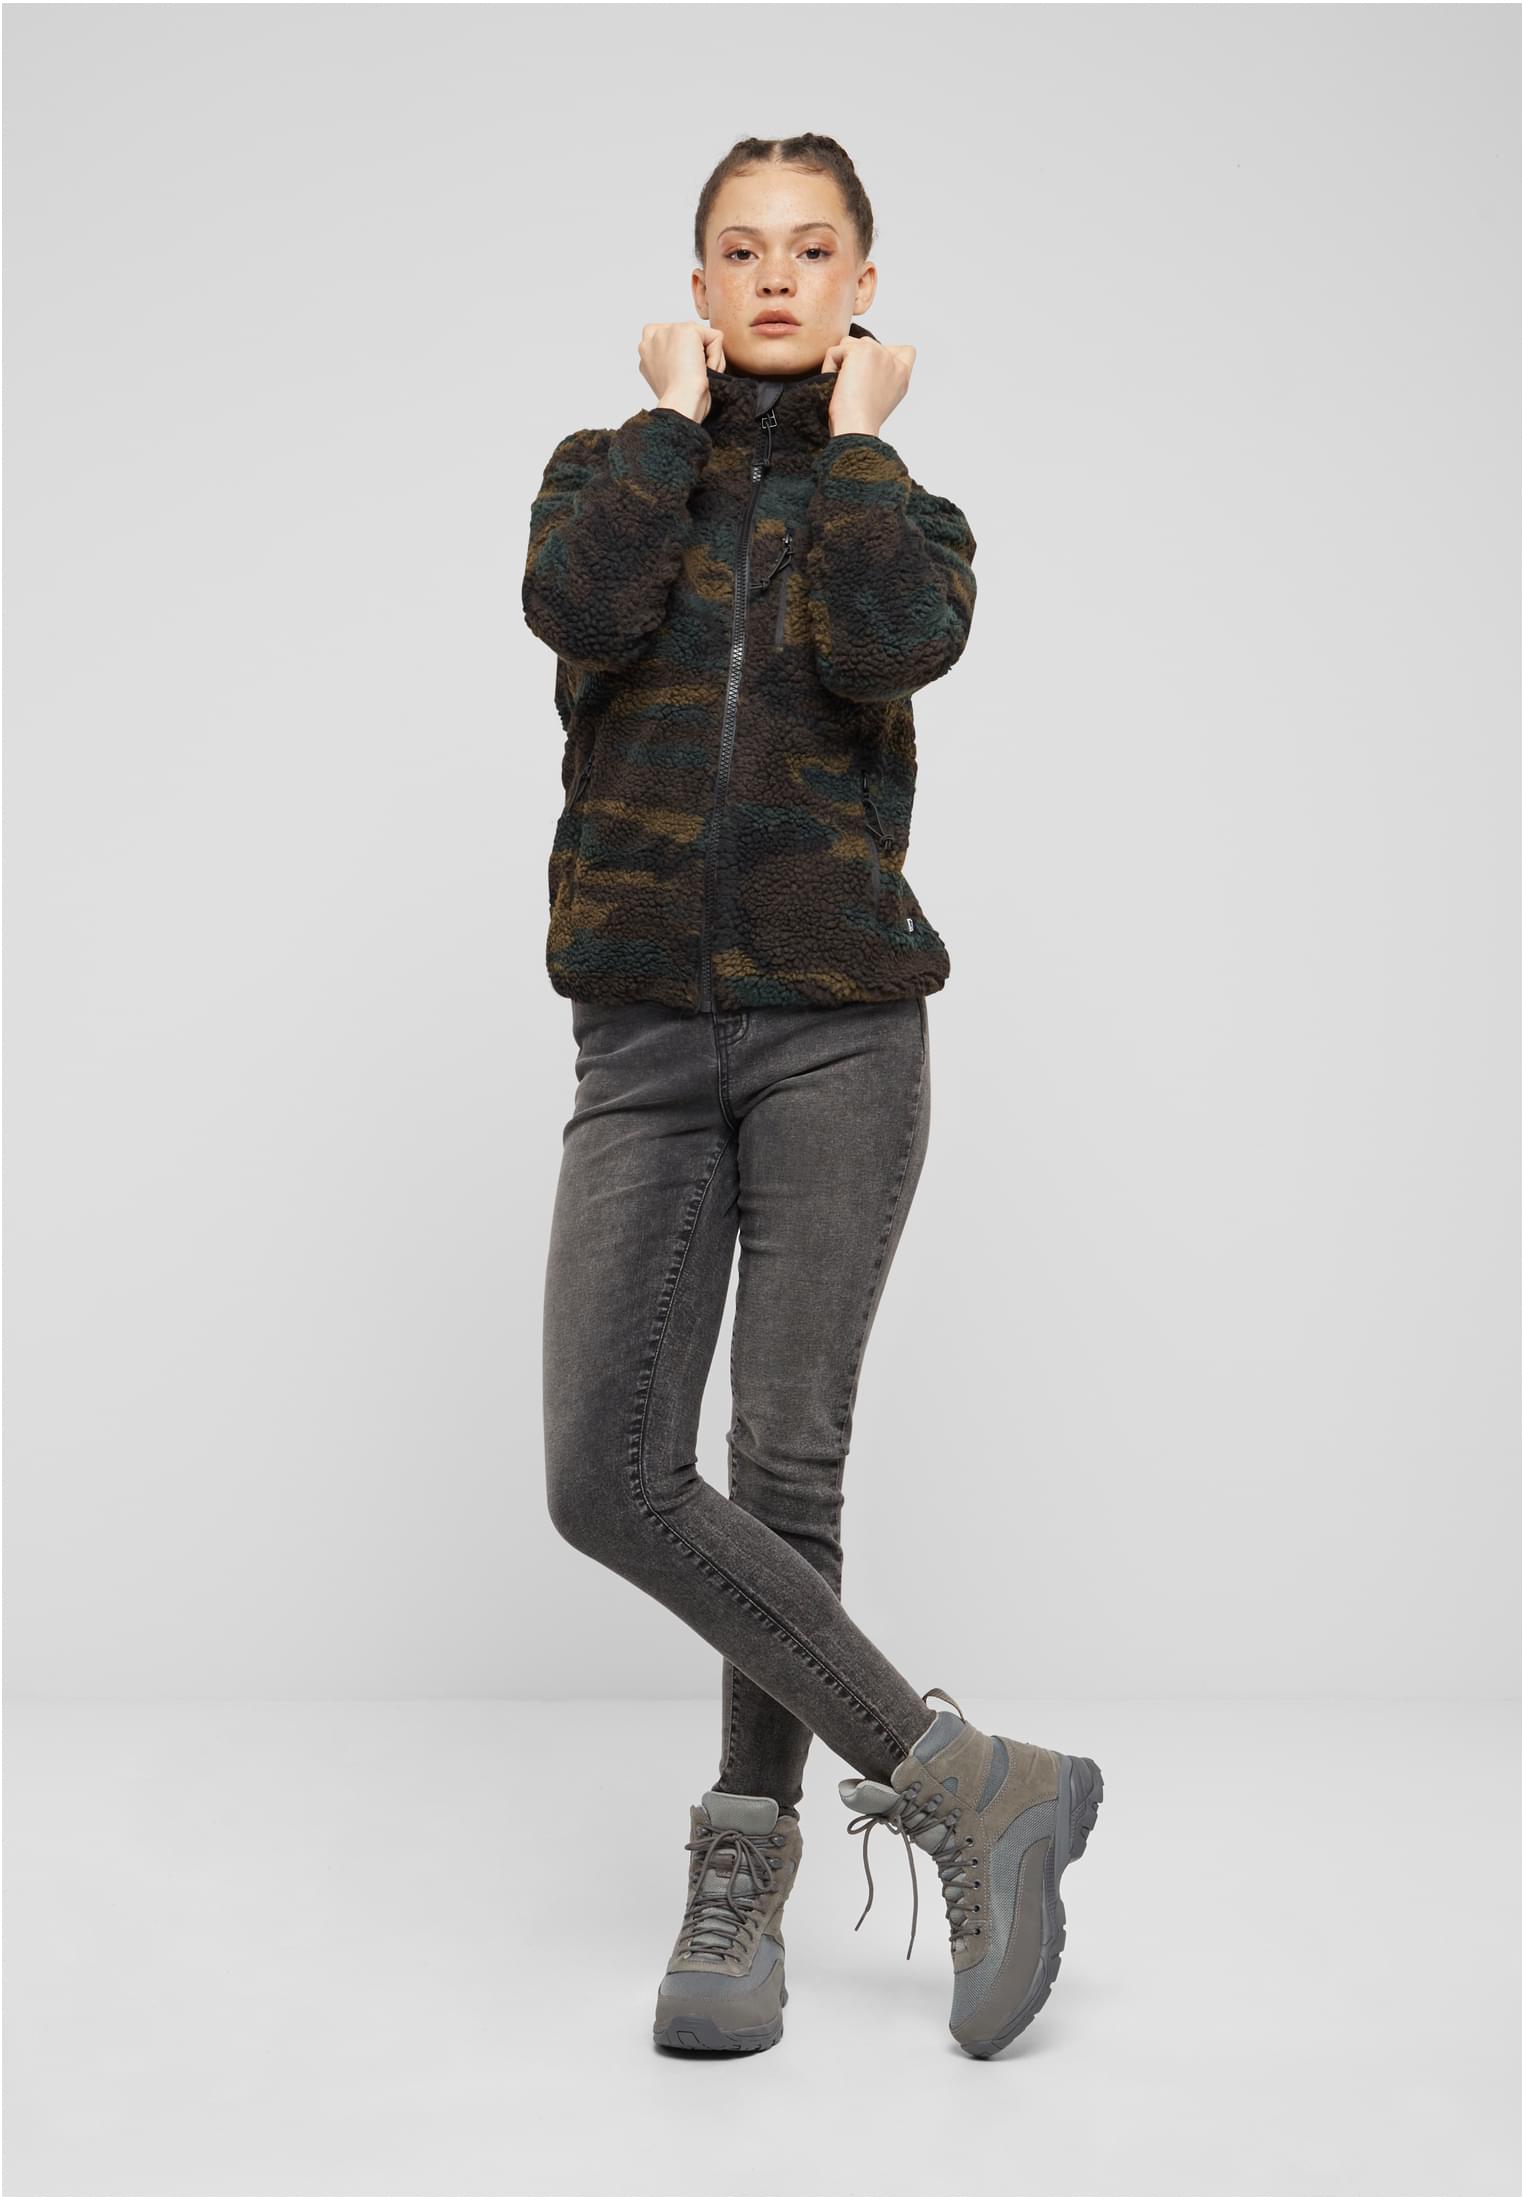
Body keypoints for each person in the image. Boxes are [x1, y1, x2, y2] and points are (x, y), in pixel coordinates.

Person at [526, 132, 1103, 2062]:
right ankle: (969, 1779)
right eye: (740, 249)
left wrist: (857, 447)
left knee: (783, 1473)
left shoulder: (905, 514)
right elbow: (580, 613)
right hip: (640, 1042)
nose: (775, 277)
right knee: (607, 1478)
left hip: (842, 1030)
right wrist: (660, 428)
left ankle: (742, 1877)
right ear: (695, 286)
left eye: (813, 249)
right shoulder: (607, 475)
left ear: (863, 287)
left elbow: (887, 646)